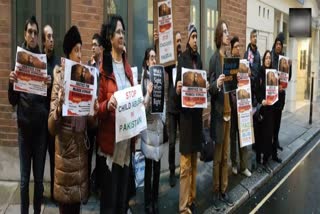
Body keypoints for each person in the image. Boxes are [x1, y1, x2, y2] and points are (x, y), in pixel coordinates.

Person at [48, 25, 98, 214]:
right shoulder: (60, 79)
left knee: (76, 208)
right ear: (68, 54)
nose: (79, 54)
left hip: (80, 155)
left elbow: (92, 124)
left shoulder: (85, 77)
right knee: (65, 208)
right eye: (76, 50)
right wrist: (59, 107)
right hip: (65, 156)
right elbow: (51, 127)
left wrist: (93, 113)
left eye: (81, 49)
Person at [8, 16, 51, 214]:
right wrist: (11, 83)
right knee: (24, 181)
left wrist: (49, 86)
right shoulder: (18, 62)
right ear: (25, 34)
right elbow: (12, 101)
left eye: (35, 32)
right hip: (24, 132)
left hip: (41, 132)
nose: (33, 35)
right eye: (30, 32)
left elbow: (48, 100)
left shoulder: (42, 63)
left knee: (39, 181)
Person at [97, 15, 135, 214]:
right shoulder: (103, 69)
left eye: (123, 32)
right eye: (118, 32)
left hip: (126, 147)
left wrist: (142, 100)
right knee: (109, 206)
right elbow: (96, 109)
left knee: (122, 203)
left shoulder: (128, 68)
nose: (122, 35)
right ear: (110, 37)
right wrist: (107, 105)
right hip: (110, 148)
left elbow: (132, 100)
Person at [175, 23, 204, 214]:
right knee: (185, 166)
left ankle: (192, 198)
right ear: (188, 39)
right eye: (192, 37)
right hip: (186, 120)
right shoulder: (182, 60)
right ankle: (183, 206)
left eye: (196, 37)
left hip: (197, 120)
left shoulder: (199, 61)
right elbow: (175, 92)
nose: (195, 40)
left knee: (194, 163)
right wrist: (177, 90)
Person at [209, 20, 234, 209]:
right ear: (219, 36)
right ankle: (216, 191)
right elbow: (209, 88)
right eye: (224, 31)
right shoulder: (214, 59)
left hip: (229, 113)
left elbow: (231, 87)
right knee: (217, 159)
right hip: (218, 115)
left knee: (226, 157)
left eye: (227, 31)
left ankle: (224, 190)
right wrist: (216, 84)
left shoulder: (230, 59)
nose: (227, 34)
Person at [153, 30, 182, 187]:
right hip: (171, 108)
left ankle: (182, 169)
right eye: (176, 41)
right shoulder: (170, 62)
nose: (178, 44)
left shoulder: (184, 60)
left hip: (182, 108)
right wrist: (157, 44)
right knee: (171, 142)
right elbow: (158, 63)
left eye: (180, 41)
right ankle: (171, 172)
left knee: (183, 140)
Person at [141, 47, 164, 214]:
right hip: (148, 129)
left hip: (158, 128)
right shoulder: (143, 79)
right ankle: (147, 202)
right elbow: (142, 106)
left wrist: (163, 121)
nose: (154, 60)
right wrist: (149, 93)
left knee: (157, 168)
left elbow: (165, 101)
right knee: (148, 168)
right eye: (151, 57)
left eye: (155, 57)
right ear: (146, 61)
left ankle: (155, 200)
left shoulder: (161, 76)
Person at [229, 36, 252, 177]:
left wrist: (248, 75)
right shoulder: (229, 63)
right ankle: (234, 164)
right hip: (232, 106)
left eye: (239, 46)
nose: (238, 48)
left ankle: (244, 166)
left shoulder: (244, 63)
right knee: (233, 137)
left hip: (243, 105)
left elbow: (249, 83)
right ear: (231, 48)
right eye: (236, 46)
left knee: (243, 136)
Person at [42, 24, 59, 202]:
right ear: (43, 41)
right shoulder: (39, 61)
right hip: (40, 118)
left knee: (55, 158)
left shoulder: (57, 63)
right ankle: (40, 190)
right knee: (40, 158)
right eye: (48, 37)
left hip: (53, 119)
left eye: (53, 36)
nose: (51, 40)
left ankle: (55, 192)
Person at [271, 32, 292, 163]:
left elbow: (288, 78)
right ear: (275, 44)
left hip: (281, 97)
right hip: (273, 96)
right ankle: (273, 152)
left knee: (278, 124)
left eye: (280, 44)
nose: (278, 46)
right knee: (272, 125)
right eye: (277, 43)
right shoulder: (272, 58)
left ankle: (276, 143)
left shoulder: (283, 59)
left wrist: (290, 66)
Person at [87, 33, 103, 194]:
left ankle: (98, 185)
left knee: (100, 154)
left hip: (101, 118)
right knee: (87, 154)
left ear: (100, 48)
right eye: (91, 44)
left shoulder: (104, 68)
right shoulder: (88, 66)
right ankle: (86, 187)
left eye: (94, 44)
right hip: (90, 118)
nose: (92, 47)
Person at [255, 50, 274, 172]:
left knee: (268, 136)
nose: (268, 60)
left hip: (271, 109)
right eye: (266, 58)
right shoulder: (260, 73)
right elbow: (256, 90)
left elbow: (275, 89)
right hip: (262, 109)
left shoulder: (273, 74)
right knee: (260, 135)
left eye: (269, 58)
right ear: (263, 60)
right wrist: (261, 100)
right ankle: (258, 159)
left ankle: (266, 159)